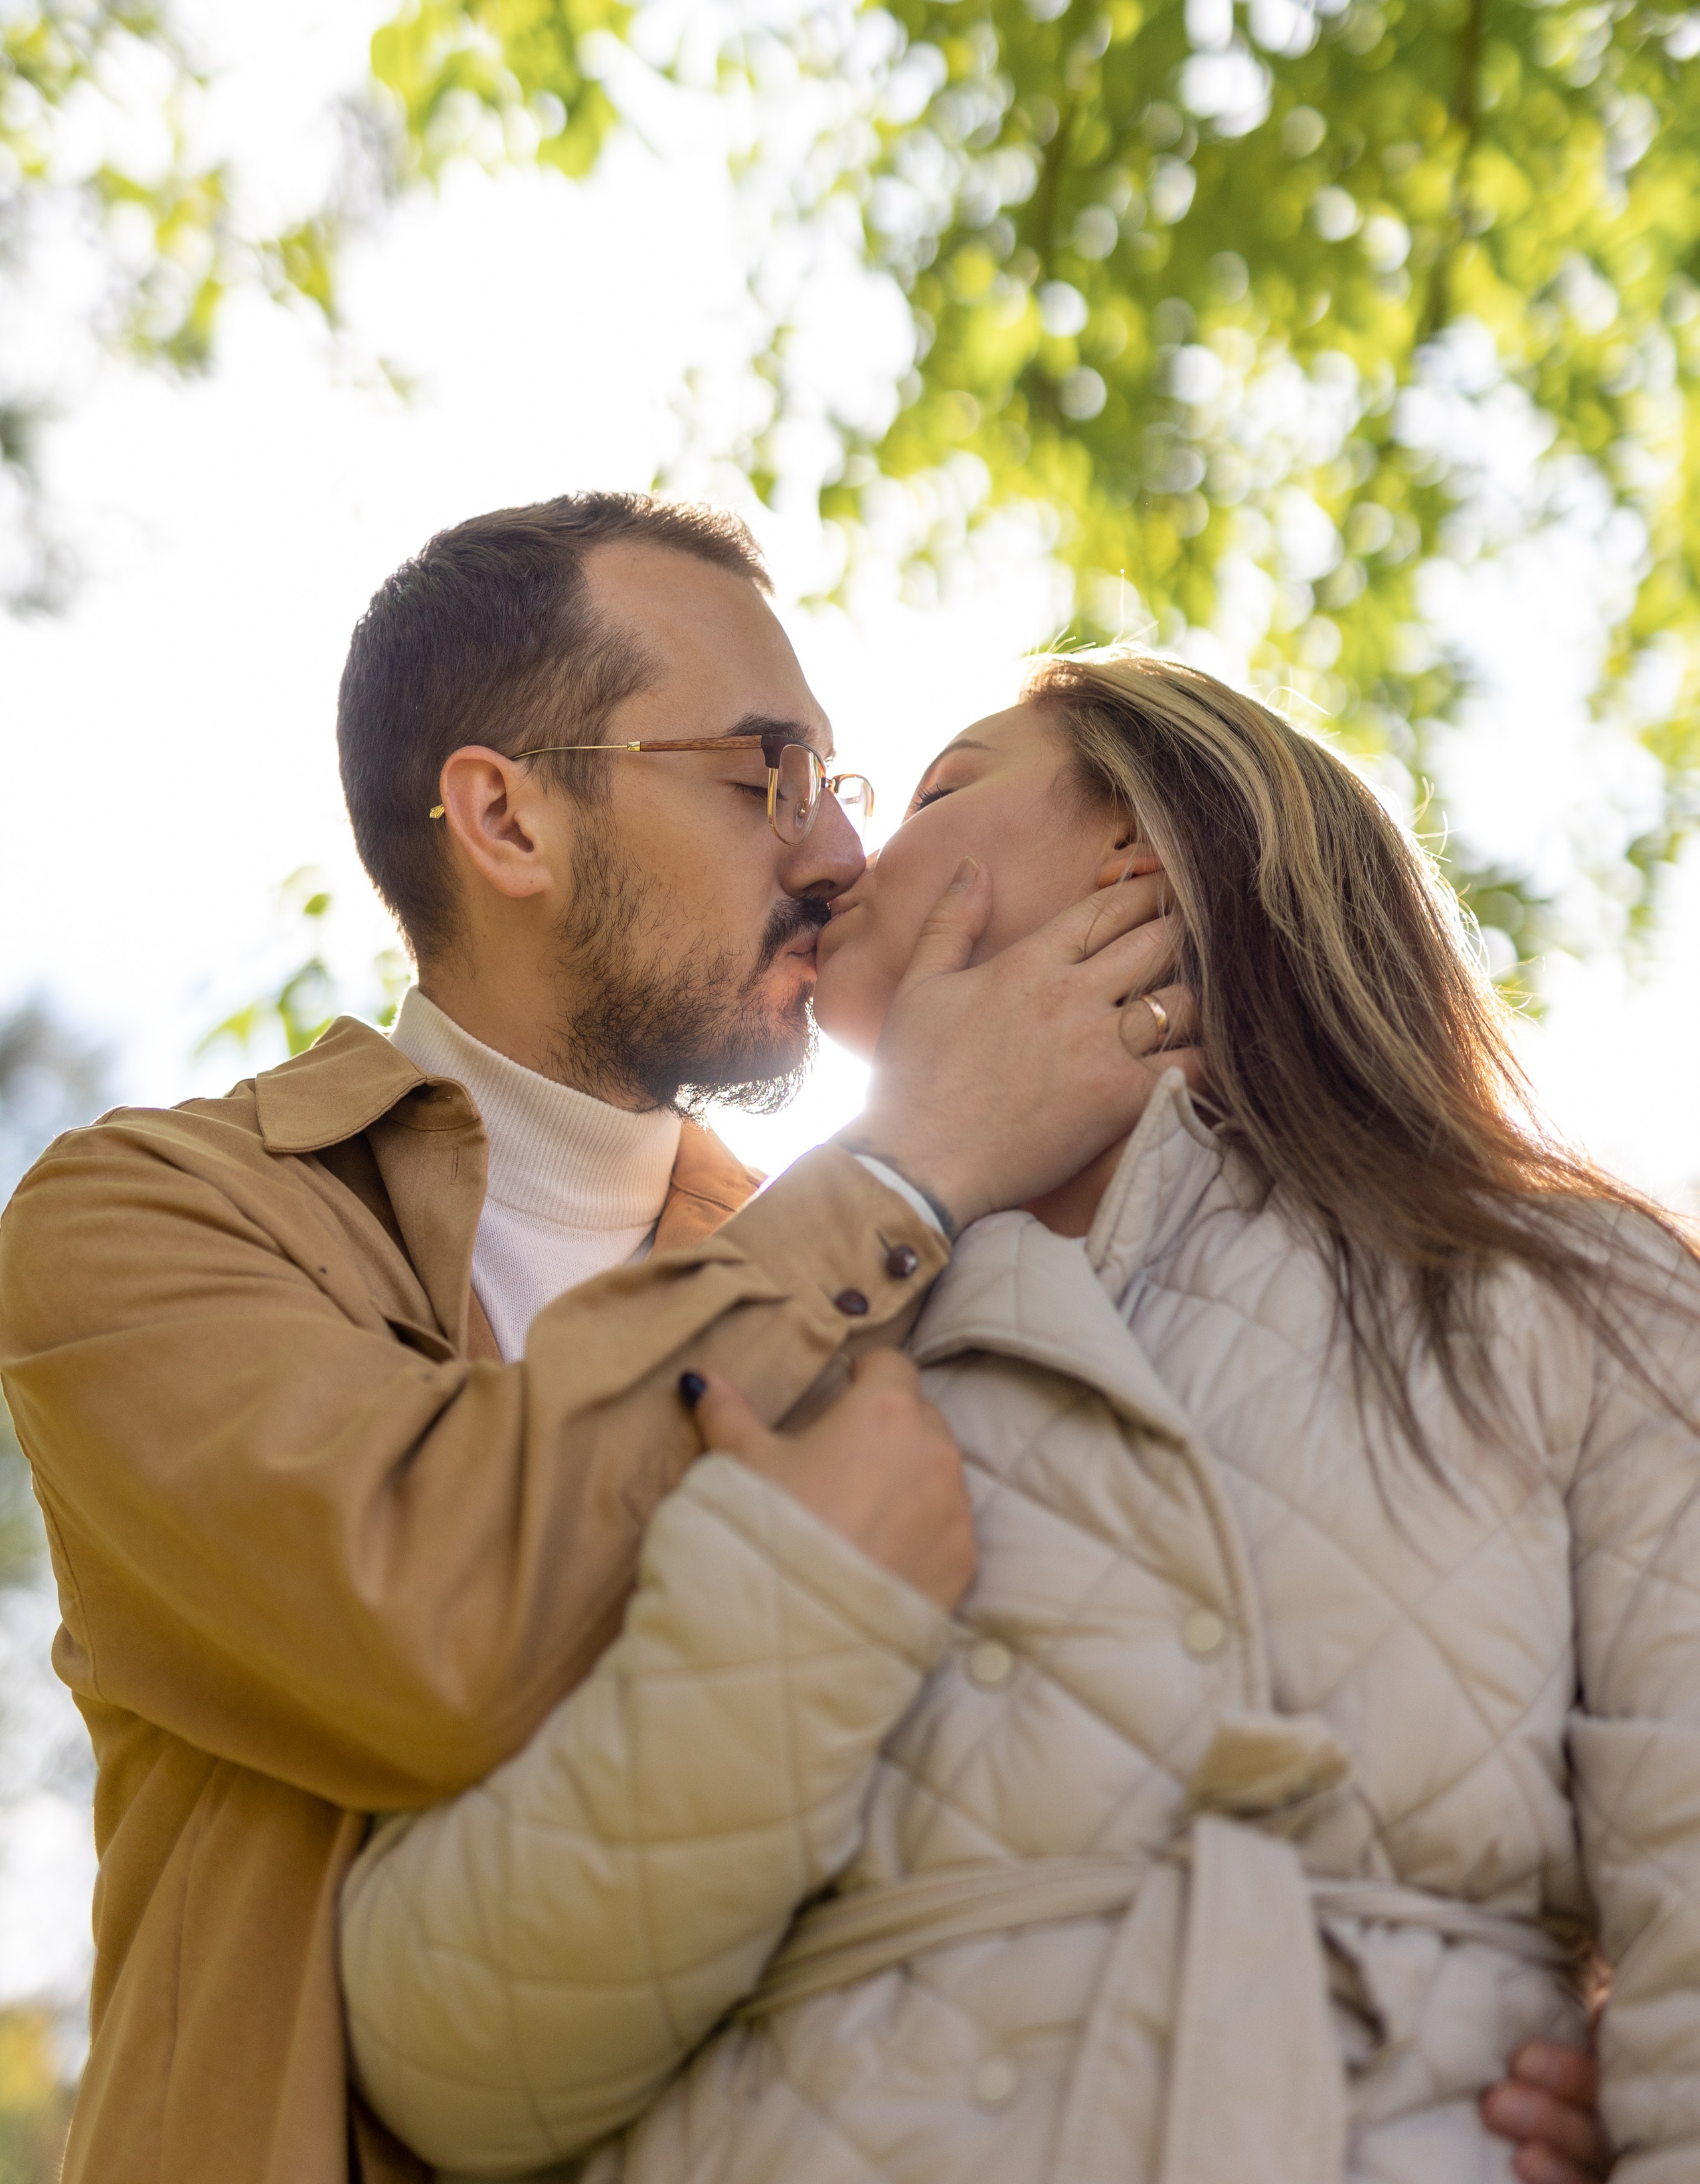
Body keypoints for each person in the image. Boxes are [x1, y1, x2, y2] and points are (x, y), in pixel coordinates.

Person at [335, 650, 1679, 2184]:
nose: (832, 854)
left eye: (933, 790)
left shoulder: (1571, 1300)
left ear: (1140, 845)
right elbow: (442, 2052)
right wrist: (792, 1614)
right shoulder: (746, 1335)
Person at [0, 497, 1204, 2184]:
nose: (836, 855)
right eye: (758, 773)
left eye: (835, 783)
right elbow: (429, 1631)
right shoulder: (147, 1219)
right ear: (505, 819)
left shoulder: (888, 1273)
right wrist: (910, 1158)